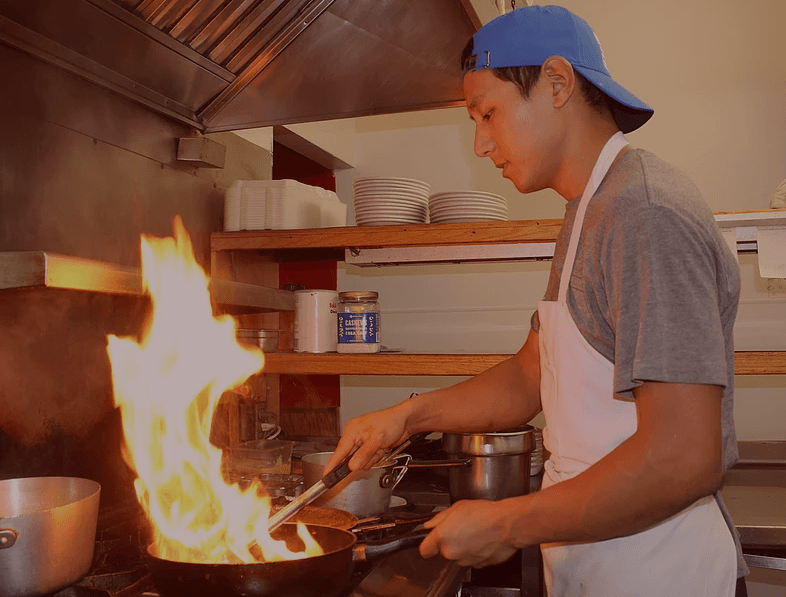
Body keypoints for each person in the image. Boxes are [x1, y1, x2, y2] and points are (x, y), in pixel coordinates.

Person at [325, 5, 747, 596]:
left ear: (556, 83)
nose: (479, 144)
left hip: (659, 572)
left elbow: (683, 455)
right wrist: (403, 418)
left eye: (488, 113)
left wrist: (507, 521)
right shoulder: (587, 211)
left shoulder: (644, 213)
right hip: (598, 567)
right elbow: (530, 376)